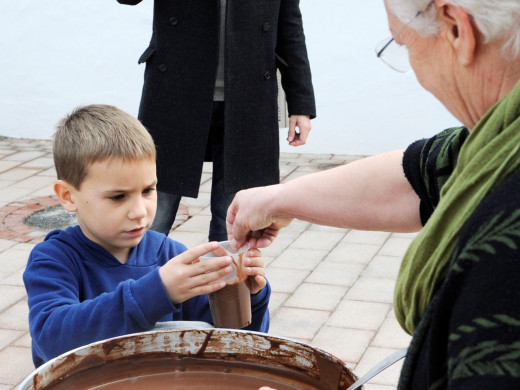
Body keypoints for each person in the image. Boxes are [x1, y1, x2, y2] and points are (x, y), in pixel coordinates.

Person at [227, 0, 520, 388]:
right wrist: (276, 200)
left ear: (455, 29)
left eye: (403, 42)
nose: (416, 69)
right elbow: (421, 174)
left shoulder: (503, 262)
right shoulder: (499, 140)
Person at [23, 104, 270, 368]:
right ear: (68, 196)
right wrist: (157, 292)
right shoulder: (53, 259)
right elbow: (53, 340)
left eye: (148, 190)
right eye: (118, 197)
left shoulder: (170, 255)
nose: (140, 212)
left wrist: (249, 295)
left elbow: (230, 341)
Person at [116, 0, 316, 242]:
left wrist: (301, 105)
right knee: (154, 212)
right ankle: (135, 276)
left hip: (248, 101)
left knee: (233, 224)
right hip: (175, 93)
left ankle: (224, 278)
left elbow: (290, 29)